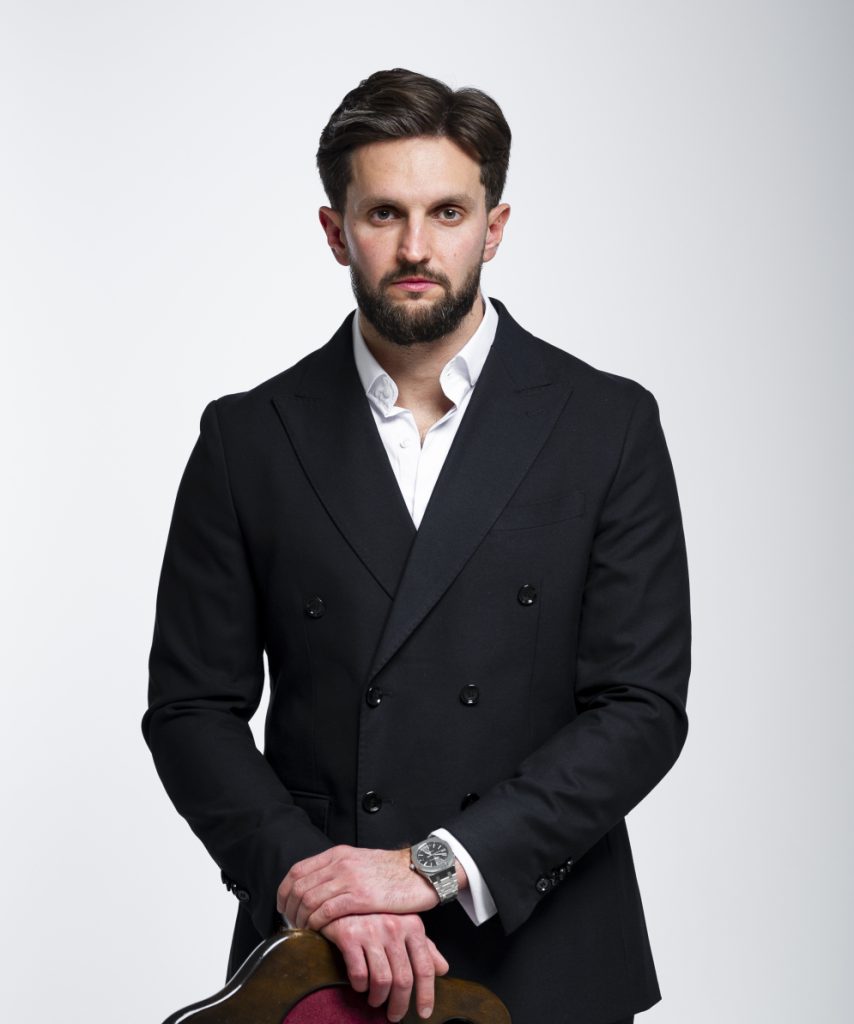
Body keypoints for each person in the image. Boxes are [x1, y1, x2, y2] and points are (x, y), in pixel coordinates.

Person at [143, 68, 690, 1024]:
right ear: (333, 230)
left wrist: (431, 868)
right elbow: (192, 709)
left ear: (496, 224)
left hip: (547, 947)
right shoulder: (248, 438)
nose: (415, 247)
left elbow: (640, 708)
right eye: (383, 213)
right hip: (316, 960)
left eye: (446, 211)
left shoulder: (606, 424)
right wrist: (318, 886)